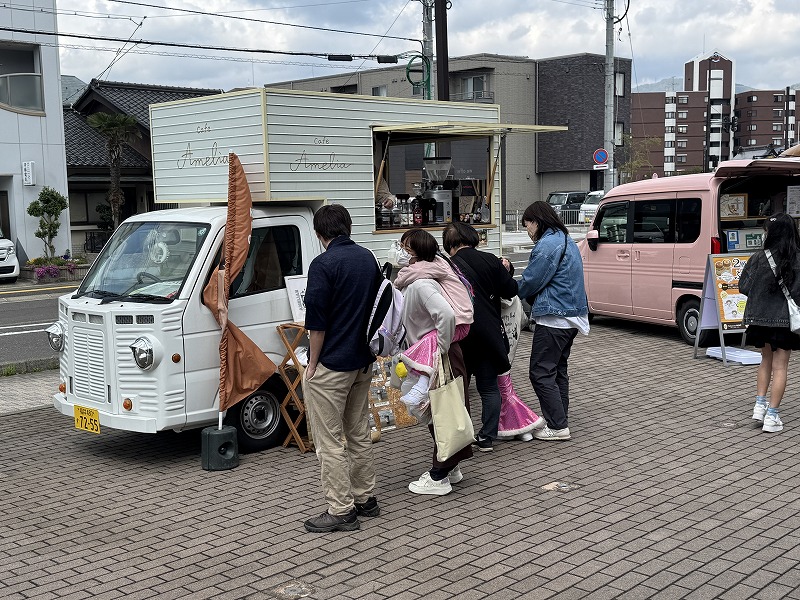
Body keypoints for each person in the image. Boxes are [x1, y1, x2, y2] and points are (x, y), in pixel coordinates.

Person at [302, 204, 380, 533]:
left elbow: (316, 323)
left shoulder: (323, 264)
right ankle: (365, 499)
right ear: (348, 226)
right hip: (362, 360)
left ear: (319, 233)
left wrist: (312, 364)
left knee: (330, 441)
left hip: (332, 363)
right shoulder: (367, 258)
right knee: (358, 432)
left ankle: (341, 509)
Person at [393, 228, 474, 495]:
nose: (400, 252)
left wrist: (440, 347)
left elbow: (446, 316)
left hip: (439, 355)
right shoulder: (422, 277)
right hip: (435, 354)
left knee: (441, 410)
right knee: (440, 409)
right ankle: (451, 466)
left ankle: (439, 475)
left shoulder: (421, 283)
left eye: (404, 247)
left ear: (414, 252)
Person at [443, 222, 519, 452]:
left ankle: (460, 435)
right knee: (488, 387)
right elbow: (511, 290)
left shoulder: (448, 266)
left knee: (459, 389)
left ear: (449, 243)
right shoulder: (491, 260)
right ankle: (487, 437)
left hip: (460, 334)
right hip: (488, 333)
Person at [517, 201, 589, 441]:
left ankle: (558, 426)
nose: (528, 231)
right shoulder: (565, 239)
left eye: (527, 225)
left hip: (554, 317)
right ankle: (559, 419)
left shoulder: (548, 244)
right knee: (557, 371)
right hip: (571, 316)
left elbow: (531, 281)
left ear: (537, 222)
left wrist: (510, 288)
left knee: (540, 372)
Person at [739, 213, 800, 433]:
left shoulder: (758, 257)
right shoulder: (797, 259)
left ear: (771, 233)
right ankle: (772, 416)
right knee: (780, 367)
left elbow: (743, 286)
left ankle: (759, 405)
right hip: (785, 322)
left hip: (759, 319)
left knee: (765, 361)